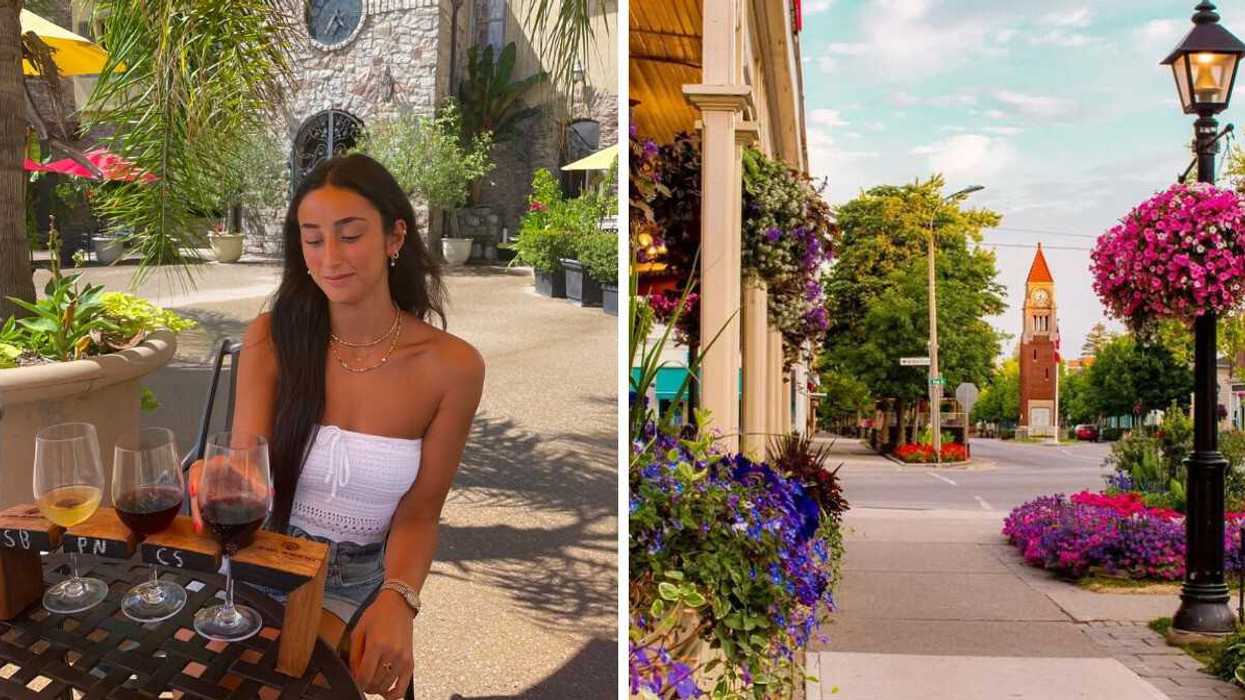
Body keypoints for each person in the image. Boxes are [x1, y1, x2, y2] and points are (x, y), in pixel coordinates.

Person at [189, 153, 485, 699]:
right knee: (192, 677)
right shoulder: (271, 338)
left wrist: (400, 598)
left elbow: (420, 514)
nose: (330, 258)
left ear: (395, 236)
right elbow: (246, 468)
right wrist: (218, 474)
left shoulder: (453, 367)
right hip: (260, 555)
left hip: (358, 578)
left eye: (349, 235)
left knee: (286, 683)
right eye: (313, 239)